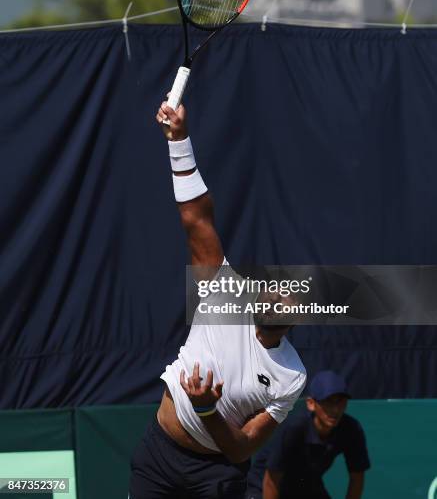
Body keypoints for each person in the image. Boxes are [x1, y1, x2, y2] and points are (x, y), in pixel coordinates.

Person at [128, 99, 307, 498]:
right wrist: (178, 141)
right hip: (158, 456)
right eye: (278, 285)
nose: (282, 295)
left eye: (292, 295)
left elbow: (243, 446)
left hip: (216, 478)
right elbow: (196, 218)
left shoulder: (291, 376)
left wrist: (206, 408)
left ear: (295, 320)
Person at [246, 370, 370, 499]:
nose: (335, 409)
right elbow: (271, 480)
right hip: (263, 486)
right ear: (311, 404)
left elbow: (357, 477)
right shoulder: (294, 428)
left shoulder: (351, 429)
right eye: (328, 401)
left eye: (341, 401)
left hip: (307, 485)